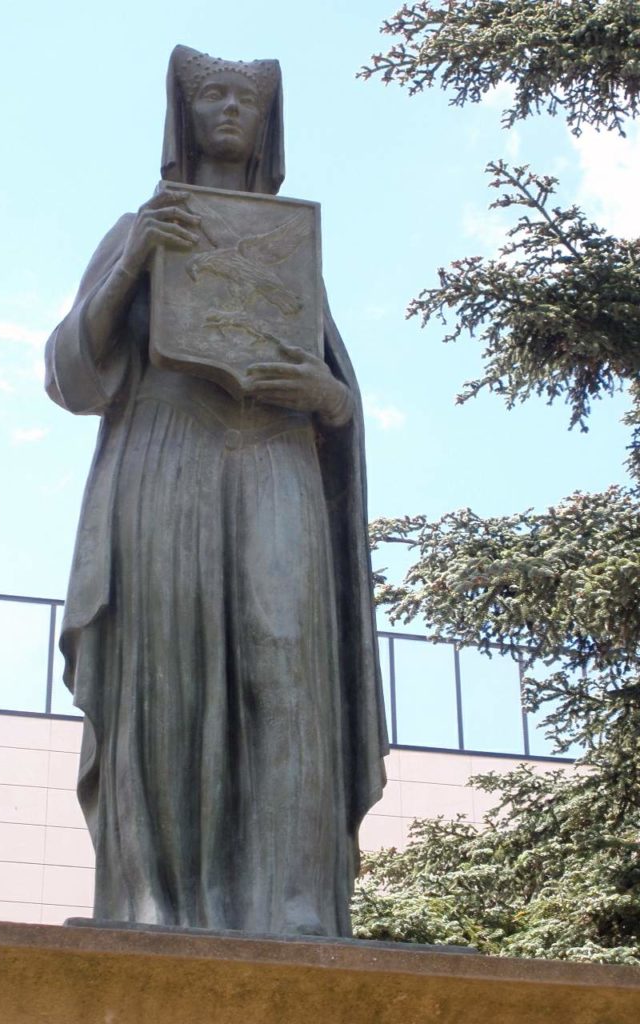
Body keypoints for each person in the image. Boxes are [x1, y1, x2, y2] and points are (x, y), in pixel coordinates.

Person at [45, 44, 388, 937]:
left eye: (247, 98)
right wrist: (134, 264)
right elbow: (72, 378)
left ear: (269, 124)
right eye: (214, 95)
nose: (230, 110)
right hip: (169, 449)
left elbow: (338, 394)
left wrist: (328, 398)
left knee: (289, 662)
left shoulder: (286, 245)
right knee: (170, 666)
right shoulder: (142, 225)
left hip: (276, 451)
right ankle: (151, 904)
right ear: (185, 114)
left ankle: (294, 906)